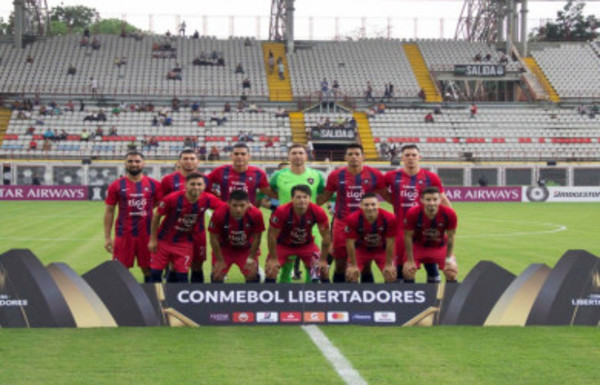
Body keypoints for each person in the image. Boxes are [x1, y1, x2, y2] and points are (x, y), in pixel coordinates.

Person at [316, 144, 389, 283]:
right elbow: (325, 196)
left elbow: (387, 195)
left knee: (366, 264)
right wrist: (309, 208)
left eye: (357, 154)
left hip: (367, 224)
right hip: (342, 224)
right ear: (345, 157)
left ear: (363, 157)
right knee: (340, 264)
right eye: (350, 154)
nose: (354, 157)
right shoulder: (336, 175)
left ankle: (366, 298)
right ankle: (339, 297)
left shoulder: (375, 175)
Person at [383, 144, 451, 283]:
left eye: (414, 155)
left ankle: (433, 299)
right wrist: (394, 201)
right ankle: (407, 302)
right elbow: (381, 191)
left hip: (427, 229)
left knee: (431, 266)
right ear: (402, 158)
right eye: (407, 155)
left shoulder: (431, 177)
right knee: (404, 269)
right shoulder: (391, 177)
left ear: (419, 157)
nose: (410, 158)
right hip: (402, 229)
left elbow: (442, 199)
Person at [148, 173, 223, 283]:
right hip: (164, 239)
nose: (196, 187)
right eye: (192, 184)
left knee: (182, 275)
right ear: (185, 185)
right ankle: (156, 298)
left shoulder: (208, 198)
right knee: (155, 273)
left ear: (204, 186)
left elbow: (225, 209)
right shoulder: (172, 198)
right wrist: (153, 239)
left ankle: (178, 297)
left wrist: (246, 206)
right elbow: (157, 217)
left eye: (199, 184)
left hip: (184, 242)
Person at [269, 144, 326, 282]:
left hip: (310, 226)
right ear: (288, 156)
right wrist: (281, 203)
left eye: (301, 153)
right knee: (285, 268)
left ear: (306, 156)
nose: (297, 156)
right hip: (285, 225)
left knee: (313, 268)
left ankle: (310, 298)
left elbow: (323, 193)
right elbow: (268, 191)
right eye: (294, 153)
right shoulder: (278, 176)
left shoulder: (316, 175)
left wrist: (314, 209)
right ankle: (286, 297)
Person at [104, 152, 163, 282]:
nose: (134, 164)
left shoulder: (154, 185)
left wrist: (146, 209)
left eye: (137, 161)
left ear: (143, 164)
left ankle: (154, 299)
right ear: (125, 164)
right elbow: (109, 211)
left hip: (147, 234)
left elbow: (161, 205)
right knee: (121, 270)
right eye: (130, 161)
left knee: (149, 269)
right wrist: (108, 237)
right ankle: (123, 301)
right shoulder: (116, 185)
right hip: (123, 234)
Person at [161, 149, 213, 283]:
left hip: (197, 230)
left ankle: (196, 299)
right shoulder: (168, 180)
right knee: (174, 265)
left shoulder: (206, 179)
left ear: (197, 161)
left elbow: (209, 199)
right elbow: (162, 204)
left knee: (197, 265)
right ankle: (172, 296)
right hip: (174, 231)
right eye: (185, 158)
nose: (188, 161)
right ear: (179, 161)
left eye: (191, 158)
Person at [265, 185, 331, 283]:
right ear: (292, 198)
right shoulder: (281, 211)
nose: (302, 200)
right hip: (283, 245)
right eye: (298, 197)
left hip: (306, 245)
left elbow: (326, 236)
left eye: (305, 197)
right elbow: (271, 235)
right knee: (271, 270)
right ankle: (269, 295)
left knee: (322, 270)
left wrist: (323, 259)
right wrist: (273, 258)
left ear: (310, 198)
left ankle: (326, 296)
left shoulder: (318, 211)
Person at [403, 187, 458, 283]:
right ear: (422, 200)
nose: (432, 203)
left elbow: (451, 237)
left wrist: (449, 259)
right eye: (428, 200)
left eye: (435, 199)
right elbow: (408, 236)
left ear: (440, 200)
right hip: (418, 247)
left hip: (439, 247)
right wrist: (410, 260)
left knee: (451, 272)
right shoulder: (413, 213)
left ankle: (451, 297)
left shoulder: (449, 213)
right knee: (408, 272)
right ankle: (412, 297)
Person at [208, 190, 264, 283]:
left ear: (248, 204)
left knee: (252, 275)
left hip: (246, 250)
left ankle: (252, 296)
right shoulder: (219, 213)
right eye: (234, 205)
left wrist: (250, 259)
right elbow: (213, 238)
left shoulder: (256, 214)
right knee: (217, 276)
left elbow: (257, 238)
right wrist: (220, 260)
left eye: (242, 205)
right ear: (228, 204)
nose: (238, 209)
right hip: (224, 249)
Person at [344, 193, 397, 283]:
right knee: (351, 276)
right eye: (366, 205)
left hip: (382, 251)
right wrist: (353, 265)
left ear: (378, 204)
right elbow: (350, 243)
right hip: (361, 250)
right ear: (360, 206)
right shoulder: (353, 218)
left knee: (390, 275)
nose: (370, 208)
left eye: (373, 204)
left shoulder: (389, 218)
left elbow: (390, 242)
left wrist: (389, 264)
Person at [208, 143, 276, 204]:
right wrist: (212, 195)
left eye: (243, 154)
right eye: (236, 154)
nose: (239, 156)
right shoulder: (221, 170)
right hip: (226, 213)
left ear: (249, 156)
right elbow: (204, 182)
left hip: (248, 213)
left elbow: (268, 192)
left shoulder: (258, 173)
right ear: (231, 156)